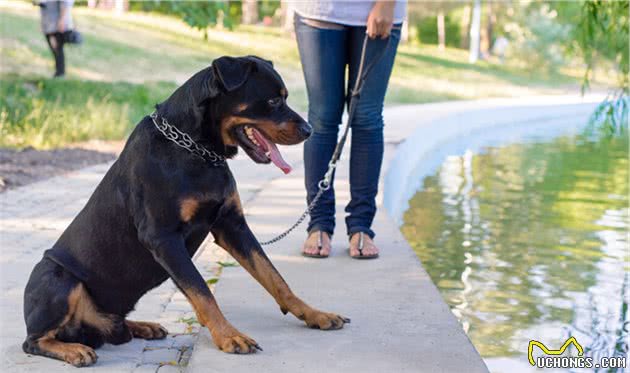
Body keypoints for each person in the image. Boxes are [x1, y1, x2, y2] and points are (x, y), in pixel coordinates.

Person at [293, 0, 406, 259]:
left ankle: (361, 227)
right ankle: (319, 223)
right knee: (322, 119)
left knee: (367, 119)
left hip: (379, 11)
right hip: (318, 11)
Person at [38, 0, 75, 78]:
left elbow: (65, 3)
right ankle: (59, 72)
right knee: (55, 49)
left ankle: (60, 73)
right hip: (49, 24)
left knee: (57, 49)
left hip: (56, 25)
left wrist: (62, 20)